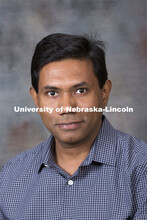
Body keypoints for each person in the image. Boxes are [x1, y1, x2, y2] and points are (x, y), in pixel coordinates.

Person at [0, 33, 147, 220]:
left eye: (80, 90)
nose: (67, 107)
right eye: (52, 93)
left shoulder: (141, 169)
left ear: (104, 93)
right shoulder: (11, 176)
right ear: (36, 99)